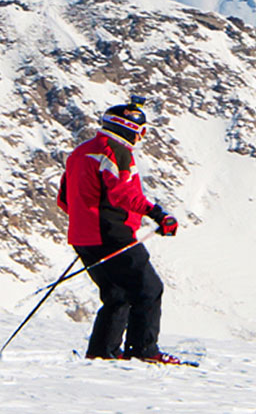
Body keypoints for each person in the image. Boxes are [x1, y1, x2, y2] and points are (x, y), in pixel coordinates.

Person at [55, 98, 184, 363]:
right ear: (129, 127)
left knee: (117, 295)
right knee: (149, 289)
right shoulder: (116, 151)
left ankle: (103, 352)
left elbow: (64, 199)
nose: (140, 136)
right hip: (112, 234)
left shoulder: (80, 152)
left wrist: (86, 223)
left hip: (82, 236)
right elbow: (123, 194)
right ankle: (144, 351)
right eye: (142, 130)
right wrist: (159, 215)